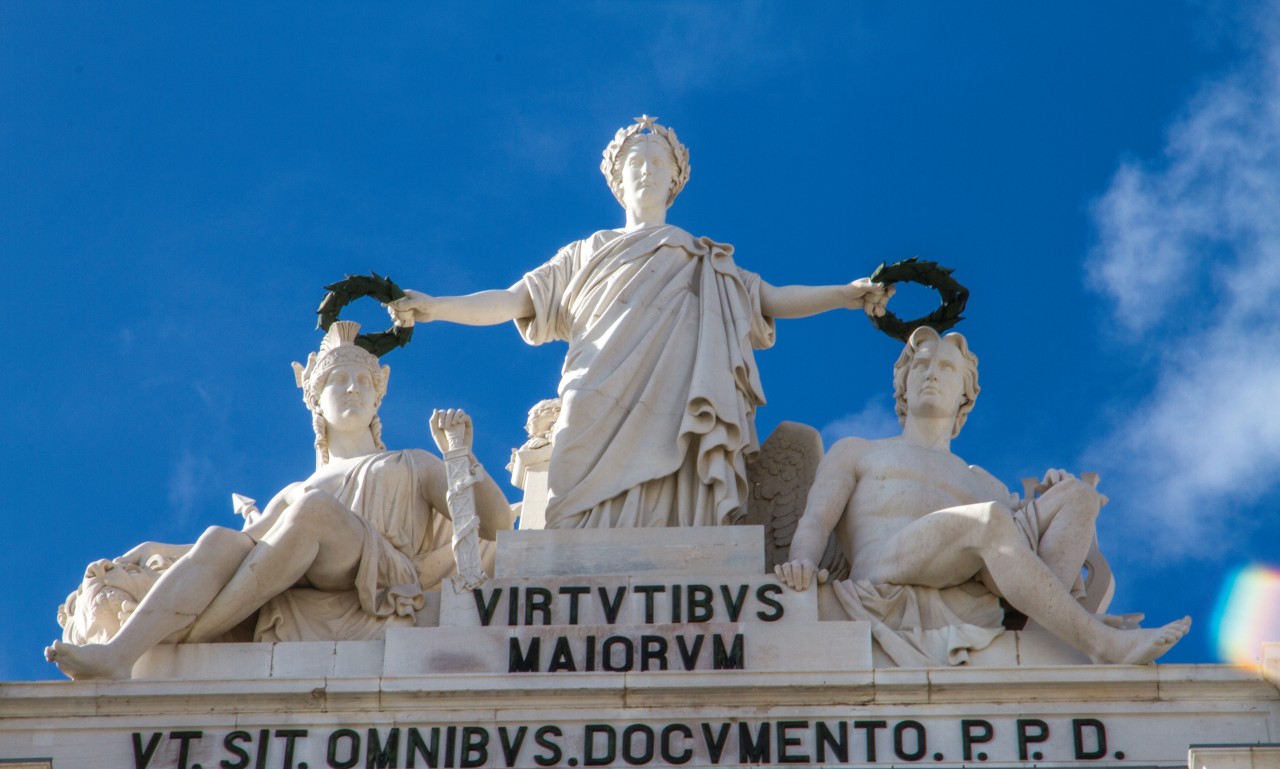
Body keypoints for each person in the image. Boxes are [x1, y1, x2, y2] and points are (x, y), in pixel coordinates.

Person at [388, 116, 894, 530]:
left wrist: (846, 295)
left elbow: (773, 298)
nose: (648, 170)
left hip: (678, 393)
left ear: (675, 180)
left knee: (677, 478)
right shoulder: (583, 253)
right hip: (595, 384)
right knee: (568, 491)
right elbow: (513, 299)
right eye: (637, 161)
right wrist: (437, 307)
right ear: (617, 179)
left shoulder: (705, 259)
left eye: (659, 162)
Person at [46, 321, 512, 679]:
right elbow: (245, 546)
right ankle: (120, 654)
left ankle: (192, 632)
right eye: (339, 380)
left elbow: (497, 528)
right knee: (220, 539)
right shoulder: (295, 491)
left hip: (385, 576)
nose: (352, 387)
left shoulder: (414, 462)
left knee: (312, 511)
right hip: (312, 572)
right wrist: (160, 550)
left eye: (363, 382)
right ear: (316, 400)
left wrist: (461, 457)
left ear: (377, 399)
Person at [774, 326, 1190, 665]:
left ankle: (1044, 640)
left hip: (966, 570)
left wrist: (1051, 494)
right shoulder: (858, 450)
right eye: (920, 365)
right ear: (903, 386)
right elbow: (815, 520)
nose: (931, 373)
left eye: (946, 368)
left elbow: (1018, 553)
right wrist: (803, 564)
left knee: (1076, 496)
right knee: (990, 520)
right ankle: (1099, 643)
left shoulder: (985, 483)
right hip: (884, 574)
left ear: (964, 394)